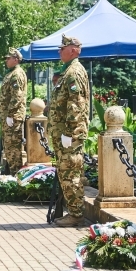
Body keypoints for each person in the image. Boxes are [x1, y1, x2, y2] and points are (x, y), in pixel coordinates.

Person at [48, 35, 90, 227]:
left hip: (69, 134)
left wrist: (69, 132)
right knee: (68, 171)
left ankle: (75, 214)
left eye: (62, 48)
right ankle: (74, 211)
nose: (59, 51)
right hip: (65, 132)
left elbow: (76, 105)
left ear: (73, 50)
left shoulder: (73, 72)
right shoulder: (69, 71)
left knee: (69, 173)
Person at [0, 47, 27, 175]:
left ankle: (16, 176)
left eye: (8, 58)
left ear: (16, 59)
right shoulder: (11, 73)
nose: (6, 61)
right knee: (9, 149)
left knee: (13, 149)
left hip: (13, 118)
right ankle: (12, 173)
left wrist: (10, 114)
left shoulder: (17, 74)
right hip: (9, 118)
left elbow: (17, 96)